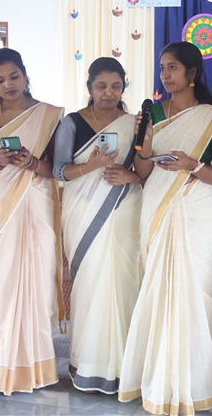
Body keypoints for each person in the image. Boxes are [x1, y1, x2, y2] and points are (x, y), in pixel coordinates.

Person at [118, 42, 212, 414]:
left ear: (192, 73)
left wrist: (192, 165)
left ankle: (194, 381)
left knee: (192, 293)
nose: (165, 74)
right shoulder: (153, 113)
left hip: (197, 213)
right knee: (157, 290)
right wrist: (145, 144)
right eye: (162, 67)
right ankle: (158, 379)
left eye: (172, 67)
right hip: (157, 207)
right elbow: (143, 171)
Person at [0, 48, 63, 395]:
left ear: (25, 75)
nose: (8, 84)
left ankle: (37, 367)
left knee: (37, 283)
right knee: (4, 283)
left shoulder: (48, 115)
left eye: (14, 77)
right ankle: (0, 366)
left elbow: (57, 169)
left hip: (35, 202)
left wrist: (32, 163)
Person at [53, 57, 142, 394]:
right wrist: (91, 166)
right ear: (89, 87)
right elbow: (59, 171)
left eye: (116, 86)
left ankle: (123, 366)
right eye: (102, 86)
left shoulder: (134, 123)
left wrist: (130, 176)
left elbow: (146, 169)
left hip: (123, 211)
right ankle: (88, 364)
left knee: (122, 282)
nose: (109, 93)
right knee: (90, 283)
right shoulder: (72, 123)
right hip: (83, 210)